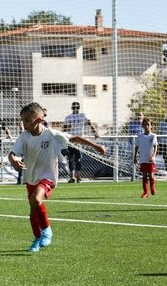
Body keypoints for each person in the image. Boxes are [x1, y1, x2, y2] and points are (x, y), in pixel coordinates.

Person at [9, 102, 106, 252]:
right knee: (33, 211)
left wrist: (96, 146)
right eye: (22, 120)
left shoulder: (51, 134)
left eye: (27, 120)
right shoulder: (24, 136)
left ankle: (46, 230)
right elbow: (12, 154)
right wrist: (14, 161)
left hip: (47, 176)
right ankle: (37, 238)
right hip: (31, 177)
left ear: (39, 120)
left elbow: (75, 138)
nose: (24, 124)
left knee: (35, 199)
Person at [62, 101, 99, 183]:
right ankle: (72, 176)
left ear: (79, 108)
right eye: (74, 107)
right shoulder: (68, 117)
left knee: (78, 159)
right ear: (71, 108)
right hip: (70, 140)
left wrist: (95, 133)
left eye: (77, 107)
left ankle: (78, 176)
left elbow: (90, 124)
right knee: (70, 159)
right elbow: (64, 129)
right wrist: (68, 128)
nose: (75, 108)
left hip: (79, 140)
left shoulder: (83, 115)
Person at [134, 117, 158, 198]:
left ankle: (152, 188)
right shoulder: (140, 136)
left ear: (151, 126)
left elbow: (155, 147)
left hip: (150, 159)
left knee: (151, 175)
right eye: (145, 125)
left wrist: (153, 156)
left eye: (148, 125)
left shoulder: (153, 136)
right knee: (144, 175)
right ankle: (145, 192)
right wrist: (135, 156)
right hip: (143, 159)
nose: (146, 126)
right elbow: (136, 147)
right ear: (143, 126)